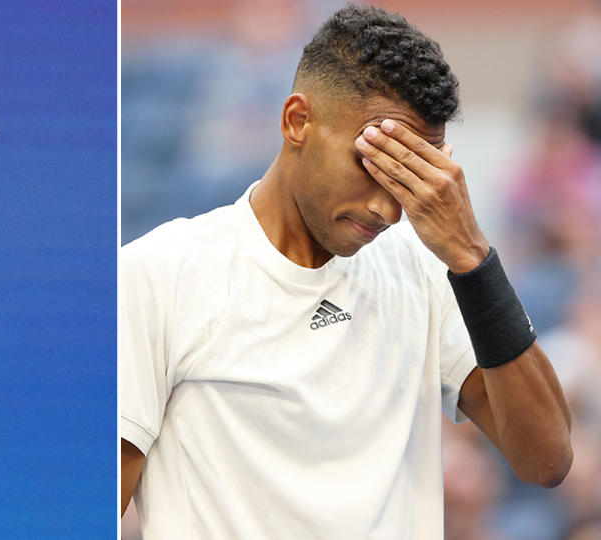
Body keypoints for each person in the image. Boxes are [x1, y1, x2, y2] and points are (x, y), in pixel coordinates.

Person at [119, 5, 572, 539]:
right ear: (296, 121)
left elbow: (545, 460)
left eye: (407, 176)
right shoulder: (157, 276)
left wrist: (472, 256)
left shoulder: (429, 271)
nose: (387, 208)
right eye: (370, 163)